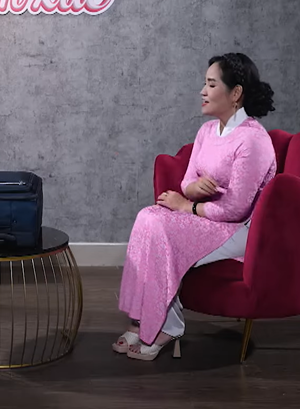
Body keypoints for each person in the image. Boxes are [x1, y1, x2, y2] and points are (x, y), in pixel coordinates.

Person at [115, 52, 277, 361]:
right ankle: (141, 319)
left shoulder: (253, 140)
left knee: (160, 226)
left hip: (239, 230)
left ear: (236, 93)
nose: (203, 91)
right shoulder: (207, 131)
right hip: (207, 218)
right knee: (147, 217)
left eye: (211, 85)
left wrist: (186, 206)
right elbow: (187, 180)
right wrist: (193, 190)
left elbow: (236, 210)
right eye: (205, 83)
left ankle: (165, 327)